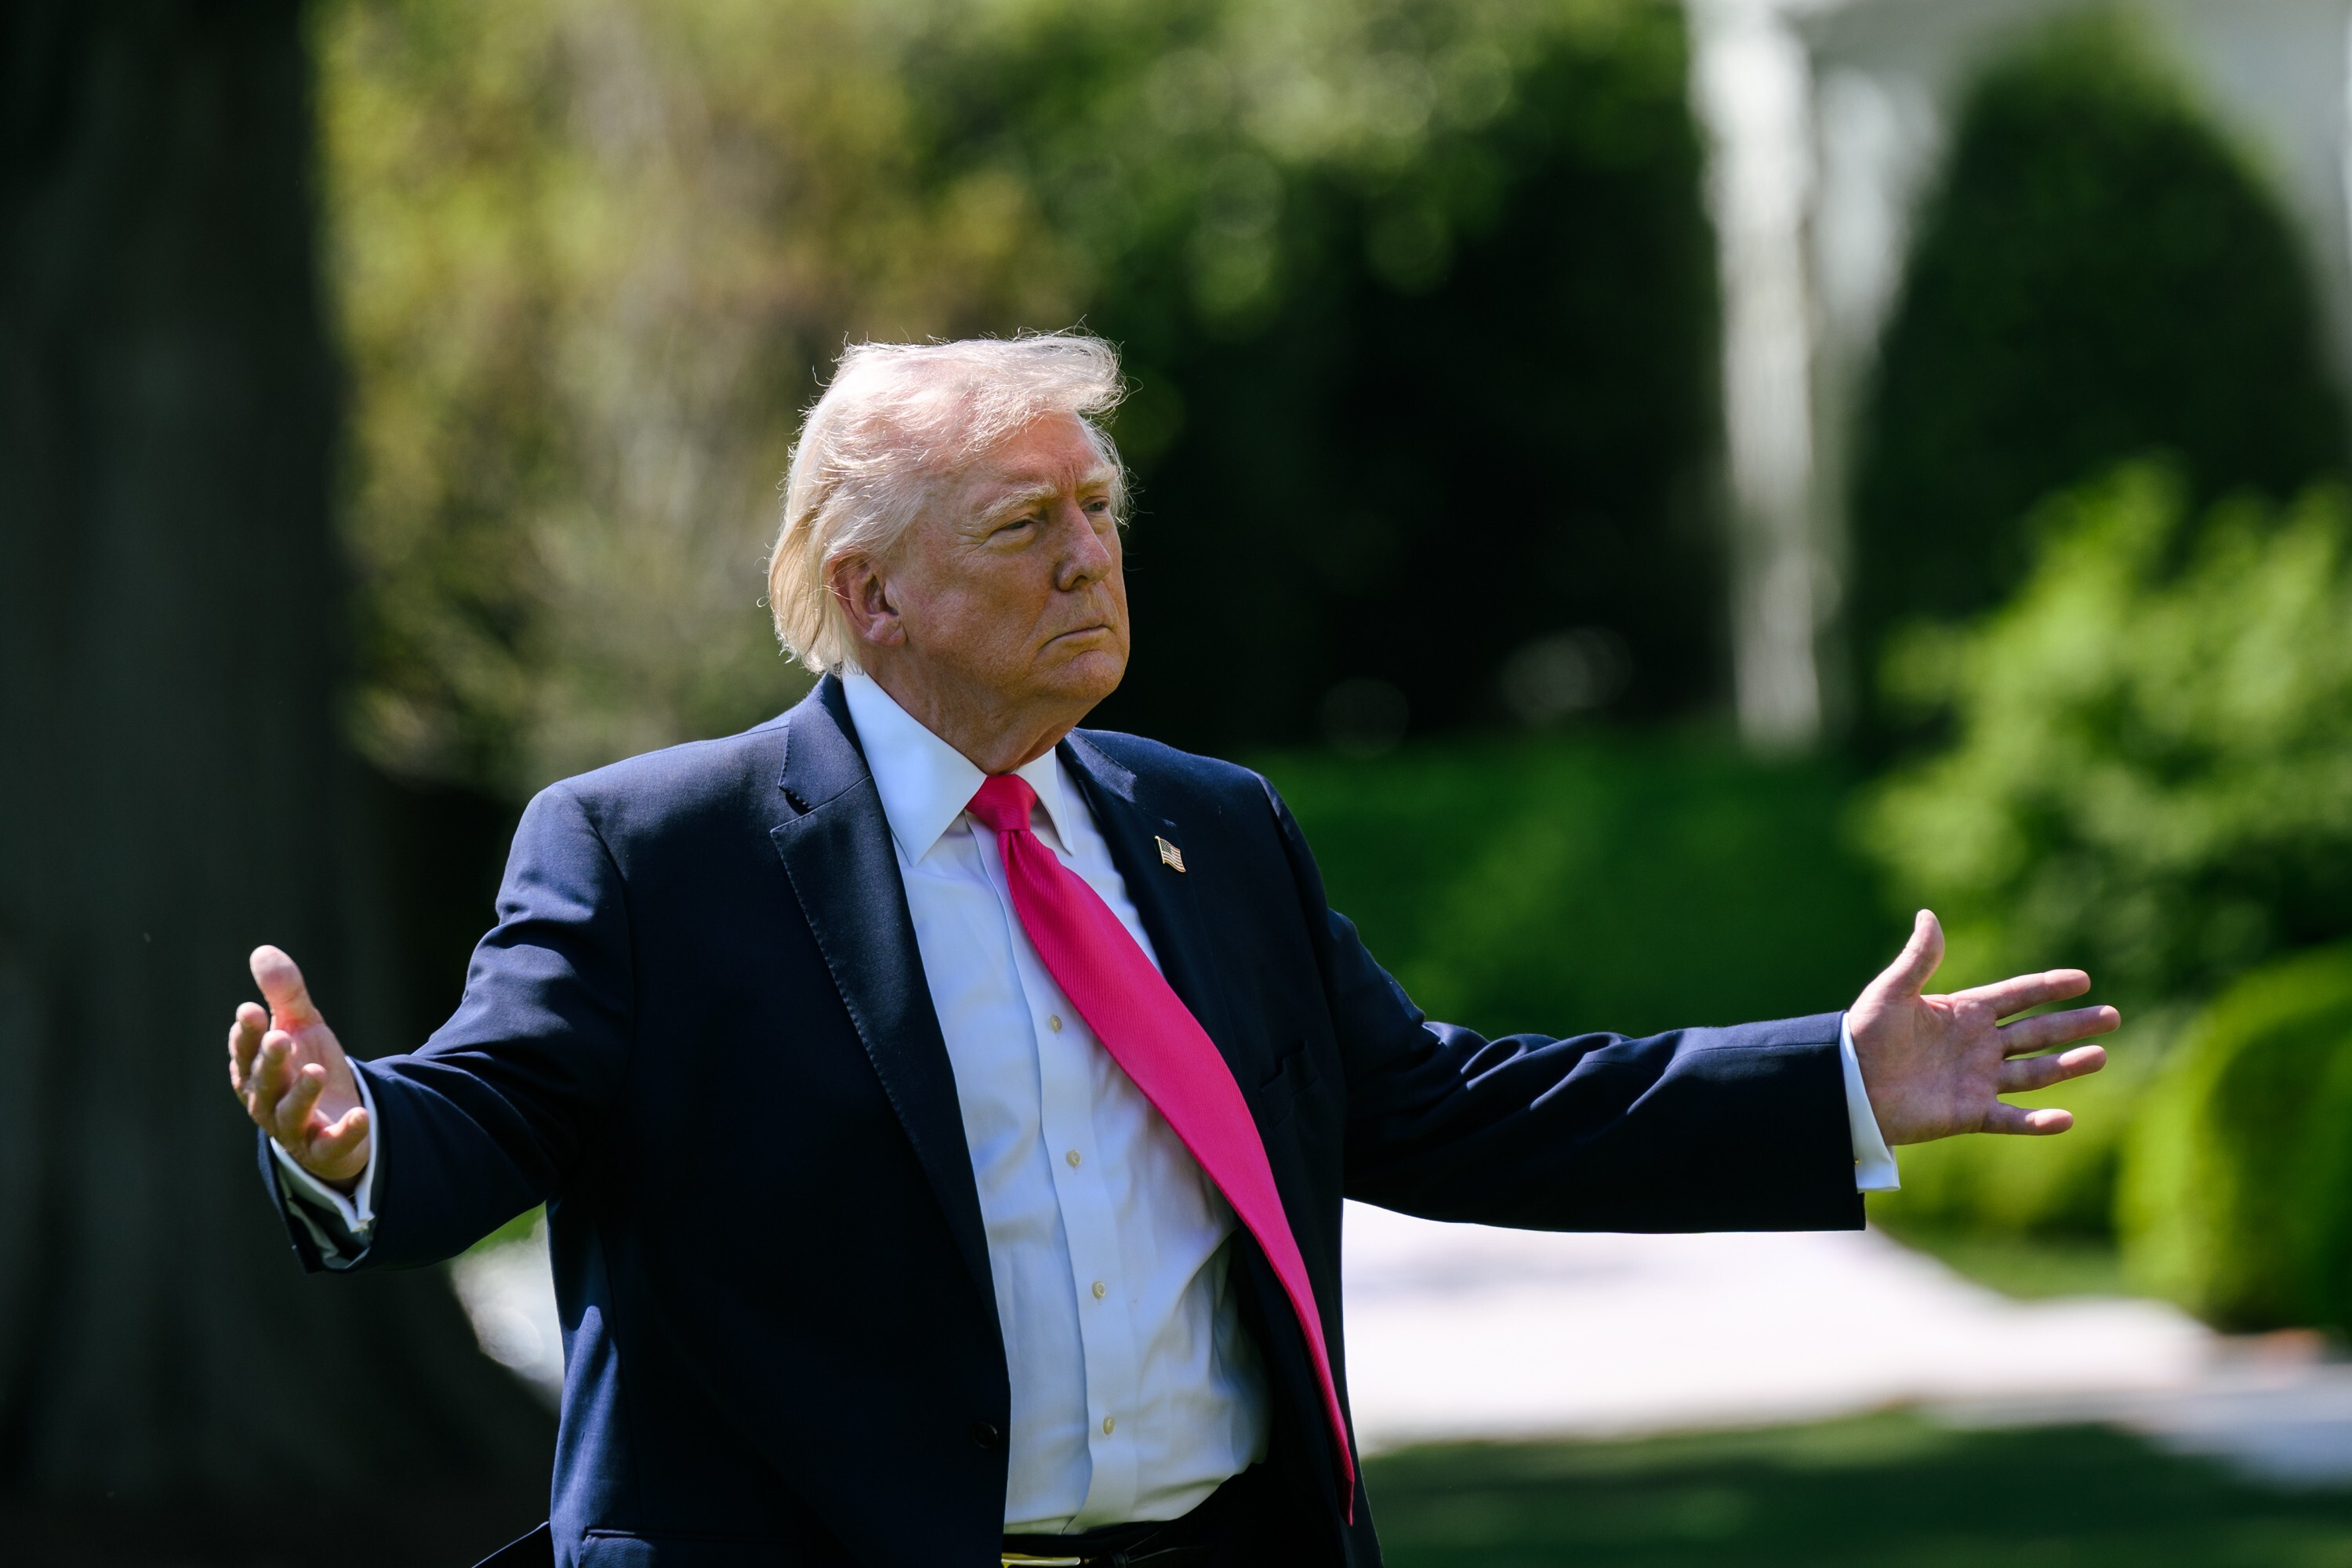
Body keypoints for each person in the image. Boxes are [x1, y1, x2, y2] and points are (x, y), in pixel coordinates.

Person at [226, 333, 2116, 1568]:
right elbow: (499, 1100)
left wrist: (1831, 1087)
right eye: (1025, 523)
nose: (1089, 560)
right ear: (873, 592)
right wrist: (354, 1134)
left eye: (1101, 512)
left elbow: (1444, 1107)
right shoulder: (658, 852)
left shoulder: (1205, 823)